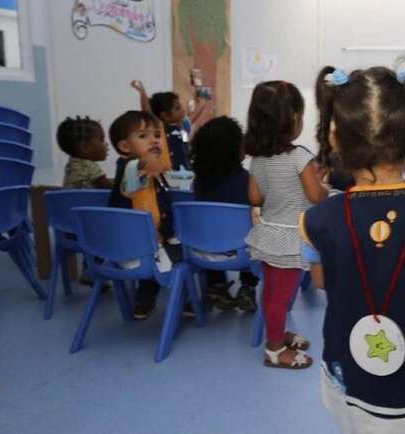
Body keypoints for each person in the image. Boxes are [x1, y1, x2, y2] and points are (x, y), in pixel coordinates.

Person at [303, 62, 405, 434]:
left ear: (336, 140)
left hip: (350, 352)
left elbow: (320, 282)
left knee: (356, 420)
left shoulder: (318, 219)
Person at [244, 80, 328, 370]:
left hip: (269, 234)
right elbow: (316, 196)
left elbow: (255, 196)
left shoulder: (256, 159)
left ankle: (278, 333)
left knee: (272, 293)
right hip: (291, 237)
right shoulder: (299, 156)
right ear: (294, 119)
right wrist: (324, 186)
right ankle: (275, 349)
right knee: (281, 297)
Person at [106, 111, 177, 320]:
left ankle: (144, 300)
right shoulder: (130, 168)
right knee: (190, 252)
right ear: (125, 147)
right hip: (137, 251)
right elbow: (138, 166)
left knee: (167, 245)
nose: (154, 139)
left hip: (137, 246)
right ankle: (188, 300)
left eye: (156, 134)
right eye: (143, 136)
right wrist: (148, 162)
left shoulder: (150, 171)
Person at [190, 116, 260, 312]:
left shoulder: (199, 182)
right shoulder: (248, 180)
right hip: (241, 254)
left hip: (202, 253)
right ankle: (247, 286)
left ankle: (216, 285)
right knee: (257, 235)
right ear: (236, 149)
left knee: (211, 234)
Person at [57, 116, 113, 189]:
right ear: (85, 148)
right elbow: (108, 187)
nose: (106, 144)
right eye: (101, 140)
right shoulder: (89, 166)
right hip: (88, 200)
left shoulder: (71, 164)